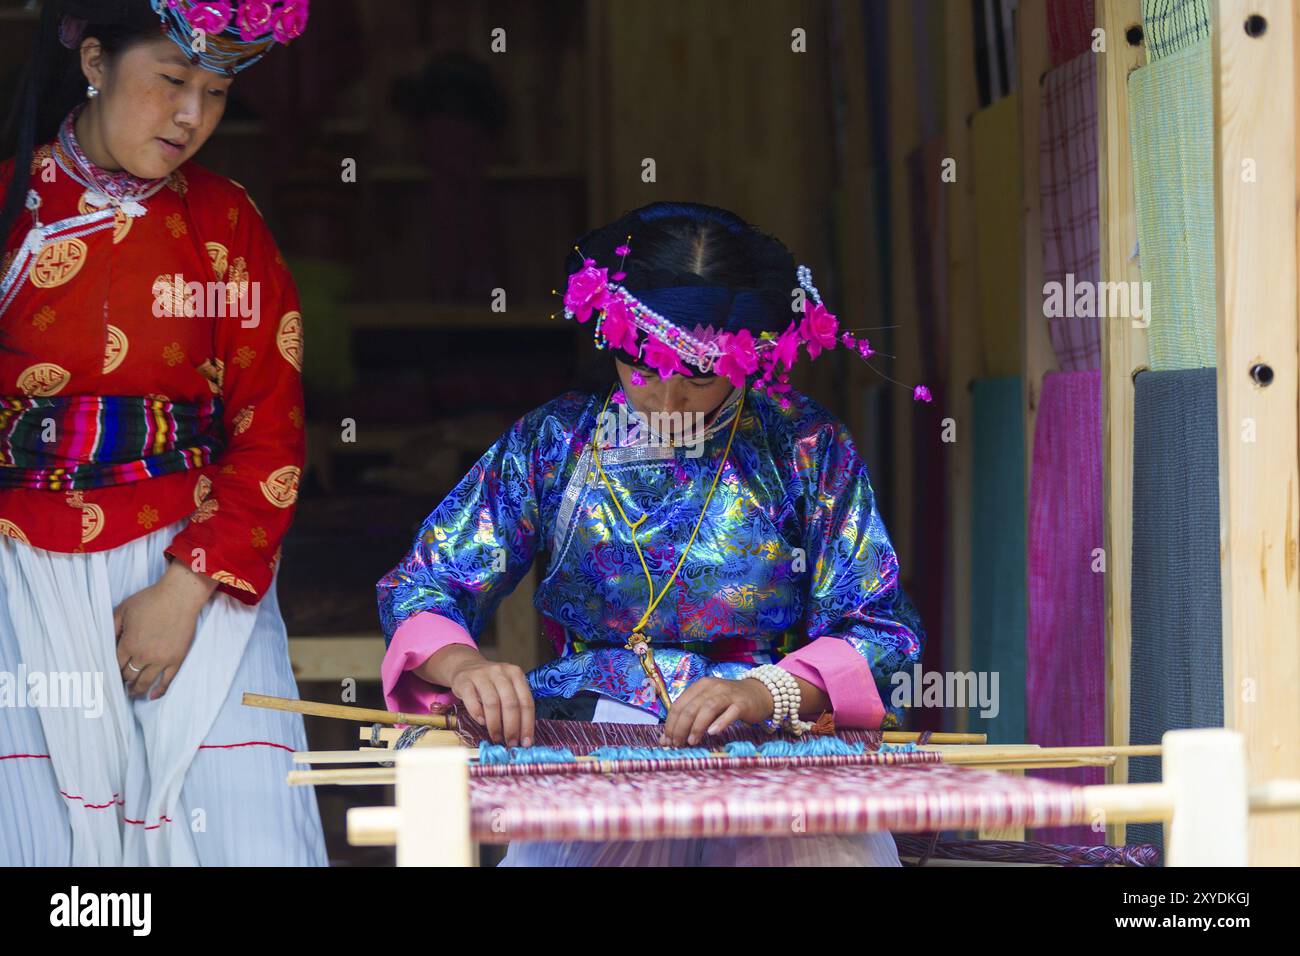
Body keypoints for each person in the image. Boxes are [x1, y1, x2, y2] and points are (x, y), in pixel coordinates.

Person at [377, 201, 927, 866]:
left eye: (698, 376)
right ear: (610, 341)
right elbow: (425, 582)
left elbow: (880, 629)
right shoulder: (556, 444)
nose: (667, 406)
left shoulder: (804, 446)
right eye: (642, 370)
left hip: (768, 761)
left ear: (748, 357)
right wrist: (466, 668)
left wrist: (764, 691)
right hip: (589, 754)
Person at [0, 0, 324, 865]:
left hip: (198, 567)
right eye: (173, 81)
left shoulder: (225, 223)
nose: (193, 117)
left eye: (216, 93)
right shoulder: (9, 209)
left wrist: (185, 593)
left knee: (237, 829)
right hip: (17, 573)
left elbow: (271, 431)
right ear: (96, 61)